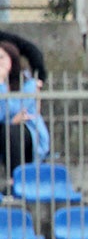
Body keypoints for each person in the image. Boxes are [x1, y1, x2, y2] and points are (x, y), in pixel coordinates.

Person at [0, 40, 51, 178]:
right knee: (7, 129)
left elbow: (18, 109)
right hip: (5, 129)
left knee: (10, 131)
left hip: (28, 131)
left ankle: (15, 180)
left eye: (1, 57)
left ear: (12, 59)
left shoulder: (29, 84)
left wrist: (1, 84)